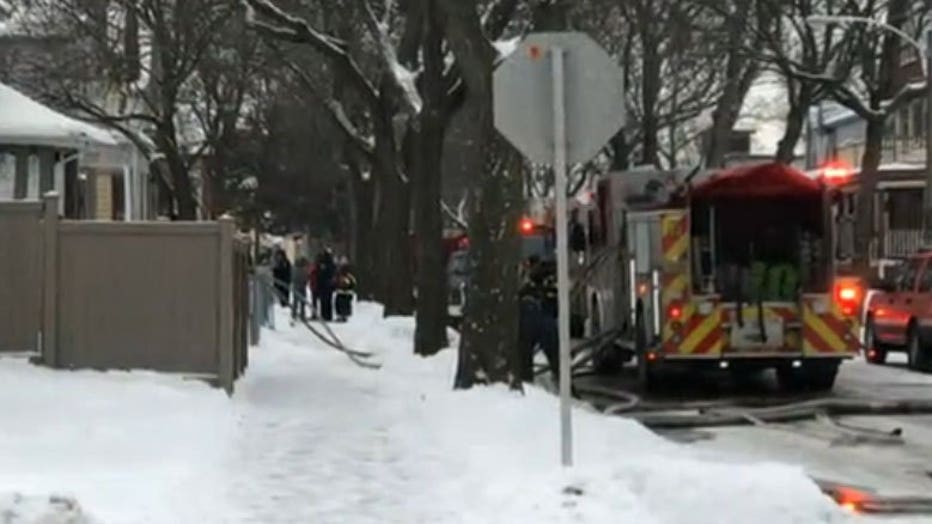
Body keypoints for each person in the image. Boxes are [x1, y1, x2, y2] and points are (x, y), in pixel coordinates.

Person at [518, 255, 559, 383]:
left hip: (531, 323)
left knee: (525, 356)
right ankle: (562, 381)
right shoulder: (546, 287)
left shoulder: (527, 288)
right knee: (555, 358)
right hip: (544, 322)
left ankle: (527, 381)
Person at [316, 248, 337, 321]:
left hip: (324, 284)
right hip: (328, 284)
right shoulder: (331, 263)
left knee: (324, 301)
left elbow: (319, 274)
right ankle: (328, 315)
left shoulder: (323, 263)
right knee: (328, 301)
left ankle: (324, 315)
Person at [291, 256, 310, 322]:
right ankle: (301, 315)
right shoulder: (302, 270)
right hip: (300, 286)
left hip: (296, 286)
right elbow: (305, 278)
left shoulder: (294, 269)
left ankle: (294, 314)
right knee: (301, 302)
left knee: (296, 301)